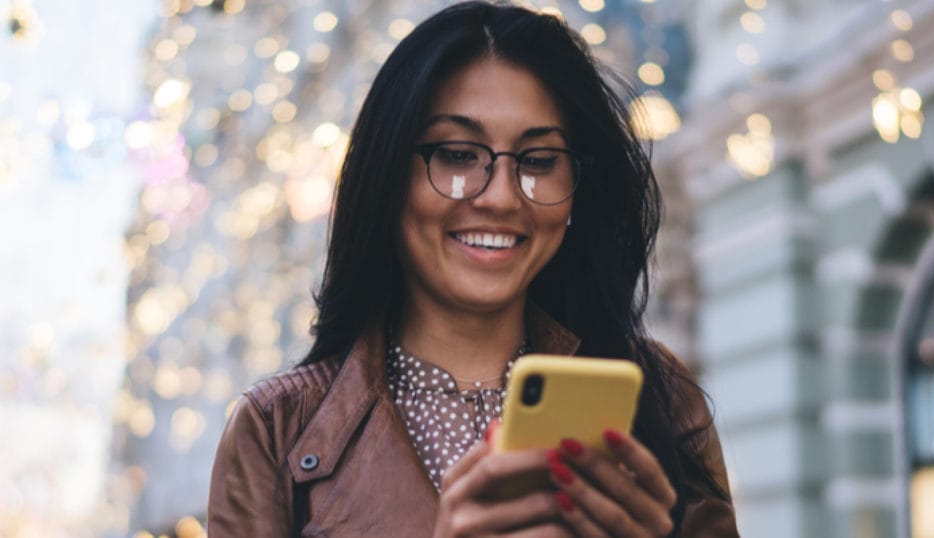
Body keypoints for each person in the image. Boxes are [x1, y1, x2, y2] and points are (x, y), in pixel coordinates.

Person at [208, 2, 738, 536]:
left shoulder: (658, 396)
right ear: (389, 175)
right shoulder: (276, 429)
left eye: (538, 161)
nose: (502, 197)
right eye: (458, 154)